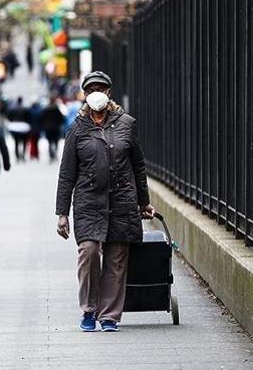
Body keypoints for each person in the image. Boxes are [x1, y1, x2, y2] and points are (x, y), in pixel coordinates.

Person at [55, 70, 155, 332]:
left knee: (116, 259)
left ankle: (109, 315)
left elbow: (138, 167)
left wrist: (144, 203)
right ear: (85, 95)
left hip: (122, 200)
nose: (95, 93)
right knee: (88, 252)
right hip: (88, 201)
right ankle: (89, 310)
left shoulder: (127, 124)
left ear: (108, 93)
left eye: (101, 88)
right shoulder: (76, 128)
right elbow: (67, 173)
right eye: (91, 89)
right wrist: (62, 212)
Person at [40, 94, 66, 162]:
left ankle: (51, 155)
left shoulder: (45, 109)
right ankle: (55, 154)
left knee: (49, 142)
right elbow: (61, 118)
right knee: (56, 142)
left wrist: (44, 125)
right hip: (56, 128)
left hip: (48, 128)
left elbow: (42, 118)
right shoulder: (56, 109)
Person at [5, 97, 30, 162]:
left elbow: (9, 117)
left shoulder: (12, 109)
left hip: (15, 127)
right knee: (24, 142)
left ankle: (17, 156)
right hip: (24, 127)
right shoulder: (25, 109)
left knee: (16, 143)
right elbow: (28, 118)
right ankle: (23, 155)